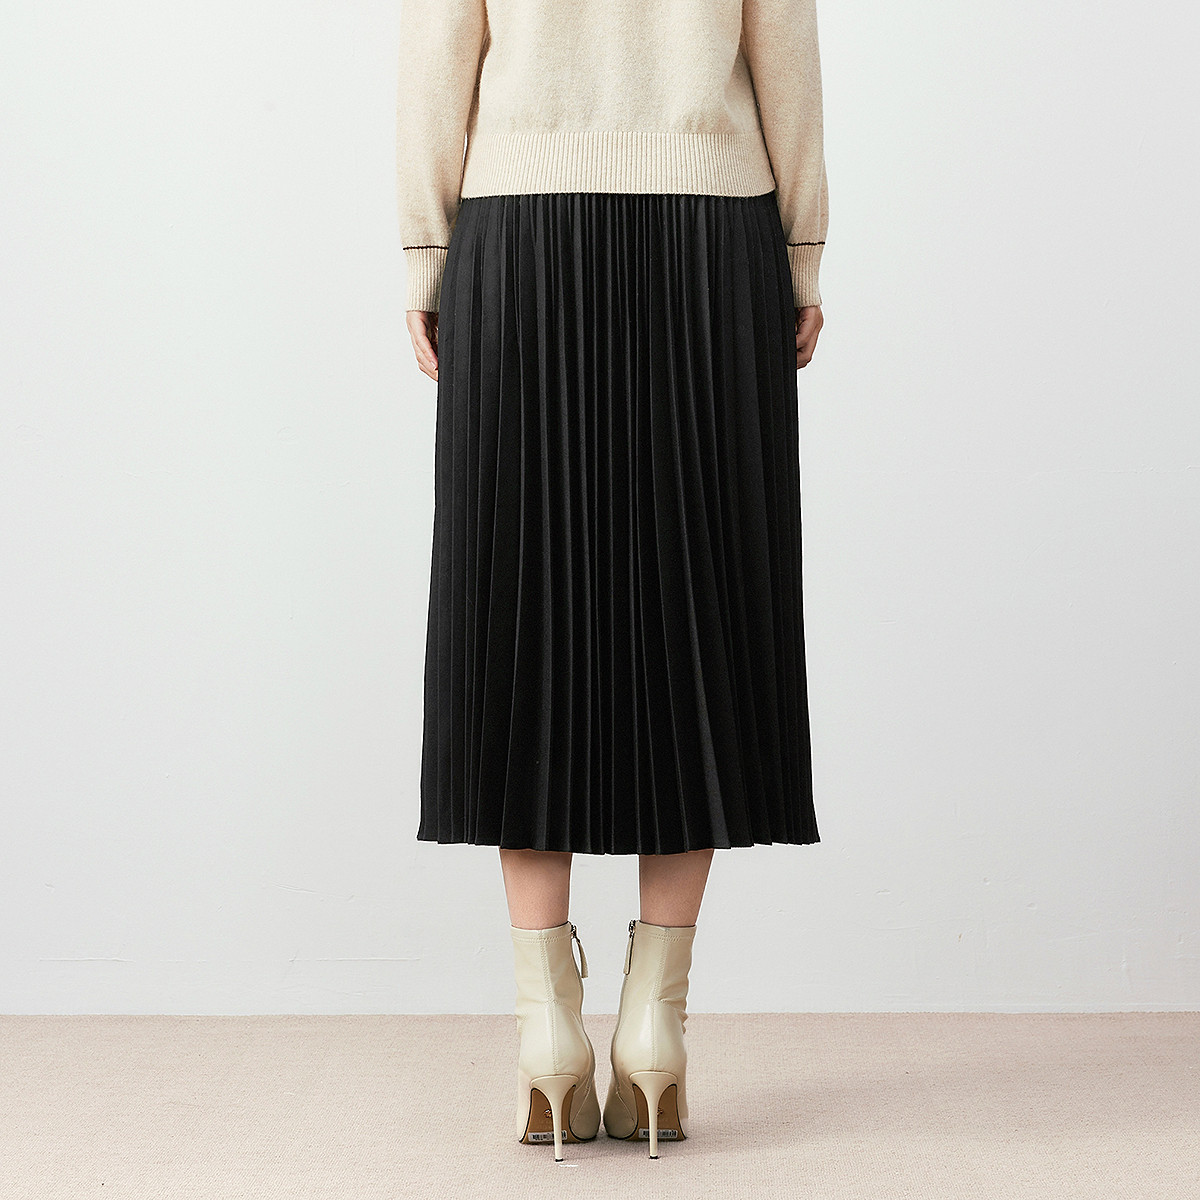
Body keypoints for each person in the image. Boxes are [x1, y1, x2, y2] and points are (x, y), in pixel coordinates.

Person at [396, 0, 828, 1162]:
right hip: (712, 229)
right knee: (698, 616)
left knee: (520, 615)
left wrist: (429, 254)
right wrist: (800, 253)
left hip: (519, 229)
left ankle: (548, 1032)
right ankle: (655, 1027)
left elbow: (440, 51)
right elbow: (783, 49)